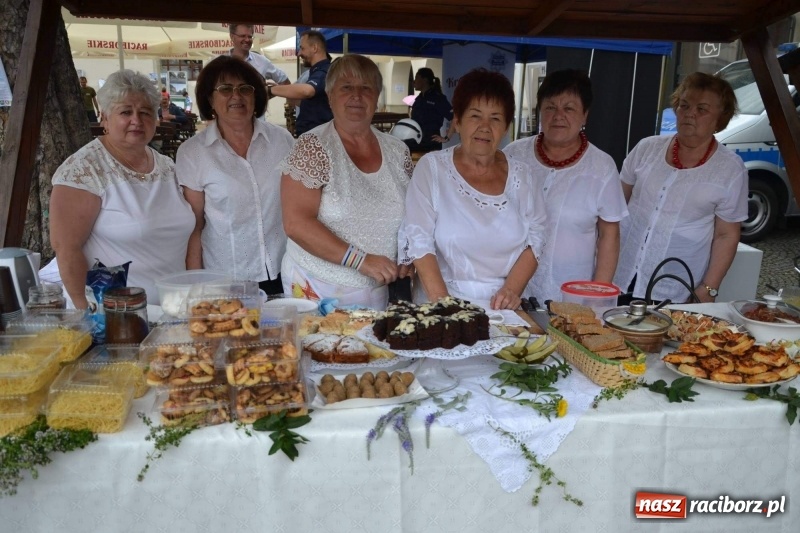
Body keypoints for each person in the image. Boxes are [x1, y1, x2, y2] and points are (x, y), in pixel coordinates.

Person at [398, 68, 547, 310]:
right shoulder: (432, 168)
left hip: (503, 310)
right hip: (441, 304)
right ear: (457, 121)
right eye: (475, 116)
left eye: (496, 118)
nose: (485, 127)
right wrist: (446, 307)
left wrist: (511, 290)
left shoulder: (524, 175)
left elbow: (537, 237)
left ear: (507, 126)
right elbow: (419, 239)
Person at [50, 70, 194, 308]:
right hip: (120, 317)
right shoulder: (83, 170)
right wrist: (91, 315)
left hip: (176, 308)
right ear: (104, 118)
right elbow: (66, 249)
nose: (136, 120)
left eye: (145, 112)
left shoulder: (166, 165)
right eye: (125, 112)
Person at [279, 54, 413, 308]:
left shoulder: (398, 151)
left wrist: (409, 254)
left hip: (379, 289)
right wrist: (361, 261)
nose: (357, 96)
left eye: (366, 88)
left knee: (373, 348)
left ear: (376, 97)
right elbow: (296, 223)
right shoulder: (312, 146)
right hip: (318, 287)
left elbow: (414, 213)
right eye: (346, 88)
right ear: (330, 96)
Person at [613, 72, 748, 303]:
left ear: (720, 118)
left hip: (674, 289)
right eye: (684, 105)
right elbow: (613, 208)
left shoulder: (731, 169)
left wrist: (708, 288)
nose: (690, 114)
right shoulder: (646, 148)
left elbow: (726, 235)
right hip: (618, 275)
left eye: (702, 109)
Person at [503, 69, 627, 302]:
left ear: (585, 116)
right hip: (509, 292)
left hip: (571, 295)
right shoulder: (513, 155)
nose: (558, 115)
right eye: (550, 107)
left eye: (569, 108)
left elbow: (609, 235)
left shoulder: (601, 166)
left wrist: (597, 296)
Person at [177, 56, 295, 296]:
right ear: (210, 99)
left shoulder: (283, 142)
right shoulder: (193, 153)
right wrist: (196, 288)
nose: (236, 96)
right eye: (225, 89)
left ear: (256, 97)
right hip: (225, 281)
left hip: (285, 271)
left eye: (245, 89)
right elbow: (195, 226)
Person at [268, 30, 333, 136]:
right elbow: (311, 104)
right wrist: (280, 90)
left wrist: (270, 90)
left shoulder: (324, 71)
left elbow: (307, 91)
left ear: (315, 48)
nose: (299, 53)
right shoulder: (317, 71)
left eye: (302, 48)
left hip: (317, 139)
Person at [405, 67, 454, 152]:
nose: (414, 81)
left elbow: (454, 117)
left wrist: (446, 138)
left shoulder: (438, 98)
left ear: (425, 80)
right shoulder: (419, 99)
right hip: (415, 141)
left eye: (416, 78)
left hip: (431, 144)